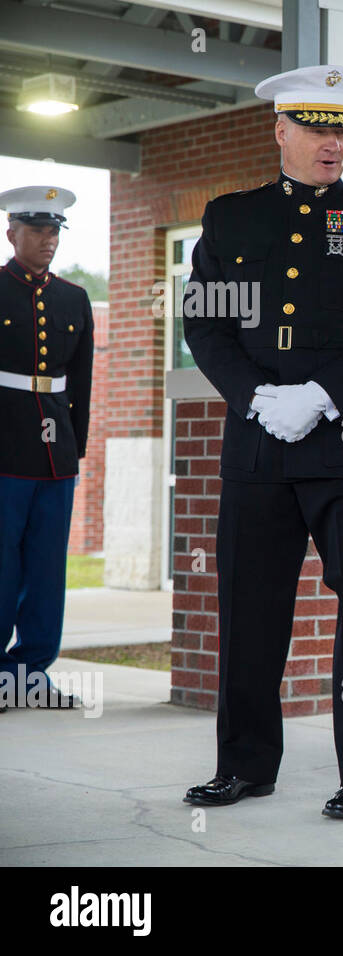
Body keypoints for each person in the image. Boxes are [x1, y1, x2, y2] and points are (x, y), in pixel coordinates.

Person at [181, 65, 343, 819]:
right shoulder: (229, 220)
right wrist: (258, 398)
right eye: (318, 128)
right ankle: (245, 765)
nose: (333, 143)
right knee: (249, 611)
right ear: (280, 130)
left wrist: (320, 397)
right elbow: (207, 324)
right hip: (261, 444)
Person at [0, 186, 93, 713]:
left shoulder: (73, 298)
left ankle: (29, 675)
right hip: (4, 446)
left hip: (55, 452)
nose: (47, 240)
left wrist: (75, 445)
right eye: (36, 230)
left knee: (45, 568)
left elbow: (80, 377)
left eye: (54, 231)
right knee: (2, 565)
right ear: (11, 233)